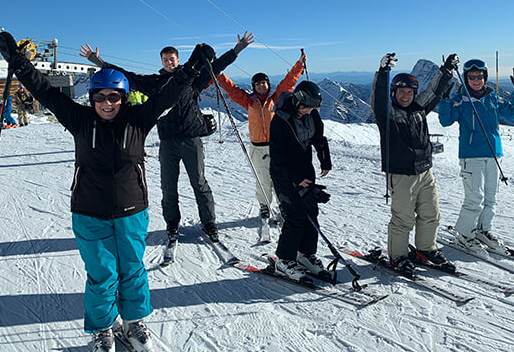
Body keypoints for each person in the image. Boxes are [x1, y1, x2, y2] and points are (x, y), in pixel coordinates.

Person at [0, 30, 211, 352]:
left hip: (132, 212)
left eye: (114, 97)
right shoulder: (80, 120)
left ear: (124, 98)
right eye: (100, 97)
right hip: (89, 212)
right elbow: (45, 91)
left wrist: (193, 67)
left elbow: (167, 94)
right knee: (102, 275)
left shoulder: (139, 120)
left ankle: (134, 323)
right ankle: (103, 328)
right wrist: (18, 62)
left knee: (133, 271)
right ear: (91, 98)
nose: (107, 103)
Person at [80, 32, 252, 244]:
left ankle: (209, 223)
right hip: (168, 140)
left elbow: (216, 67)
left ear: (178, 60)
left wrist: (238, 49)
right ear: (161, 62)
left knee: (199, 183)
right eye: (164, 60)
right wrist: (99, 62)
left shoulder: (193, 79)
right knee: (168, 186)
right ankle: (172, 224)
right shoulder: (155, 83)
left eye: (172, 59)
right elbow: (129, 77)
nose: (168, 62)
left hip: (191, 139)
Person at [371, 53, 458, 276]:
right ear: (394, 93)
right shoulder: (388, 114)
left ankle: (425, 250)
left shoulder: (419, 109)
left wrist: (446, 70)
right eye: (401, 91)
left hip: (425, 171)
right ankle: (398, 256)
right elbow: (378, 100)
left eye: (410, 92)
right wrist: (382, 73)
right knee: (403, 218)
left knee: (431, 213)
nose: (406, 95)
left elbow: (434, 92)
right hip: (401, 174)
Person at [438, 59, 514, 251]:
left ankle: (483, 230)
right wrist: (444, 99)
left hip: (494, 154)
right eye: (472, 76)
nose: (476, 80)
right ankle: (464, 234)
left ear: (485, 77)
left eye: (480, 76)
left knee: (491, 196)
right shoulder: (460, 99)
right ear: (466, 78)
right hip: (471, 155)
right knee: (474, 197)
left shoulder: (492, 97)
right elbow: (445, 121)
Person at [217, 47, 306, 220]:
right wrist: (219, 74)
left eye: (263, 82)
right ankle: (264, 205)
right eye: (257, 83)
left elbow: (288, 83)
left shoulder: (276, 99)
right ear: (253, 86)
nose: (261, 85)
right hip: (257, 148)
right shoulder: (248, 101)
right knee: (263, 180)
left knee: (280, 179)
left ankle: (283, 205)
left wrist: (299, 65)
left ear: (268, 84)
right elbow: (232, 89)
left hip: (277, 146)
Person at [269, 81, 332, 280]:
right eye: (307, 106)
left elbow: (319, 138)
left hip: (306, 171)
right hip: (284, 175)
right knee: (295, 215)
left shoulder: (312, 114)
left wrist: (325, 159)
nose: (311, 111)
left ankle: (305, 255)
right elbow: (277, 156)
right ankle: (284, 260)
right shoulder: (280, 120)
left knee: (311, 212)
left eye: (314, 107)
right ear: (298, 101)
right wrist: (295, 179)